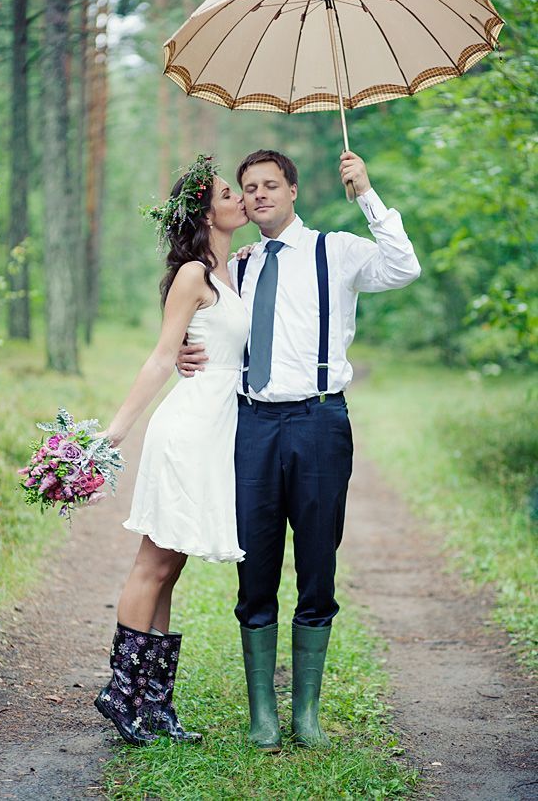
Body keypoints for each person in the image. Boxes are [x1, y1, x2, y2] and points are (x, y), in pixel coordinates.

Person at [177, 148, 421, 752]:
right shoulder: (240, 263)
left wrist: (366, 192)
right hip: (252, 426)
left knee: (317, 561)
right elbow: (210, 326)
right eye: (247, 187)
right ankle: (263, 712)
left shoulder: (336, 251)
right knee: (254, 566)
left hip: (318, 422)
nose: (257, 195)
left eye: (269, 185)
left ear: (292, 189)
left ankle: (305, 712)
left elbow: (404, 266)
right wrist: (187, 350)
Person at [94, 154, 249, 747]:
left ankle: (156, 703)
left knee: (173, 566)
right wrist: (116, 430)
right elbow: (164, 354)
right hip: (186, 430)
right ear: (204, 211)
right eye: (228, 191)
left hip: (216, 430)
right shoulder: (193, 275)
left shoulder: (232, 270)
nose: (238, 197)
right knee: (153, 563)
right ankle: (121, 691)